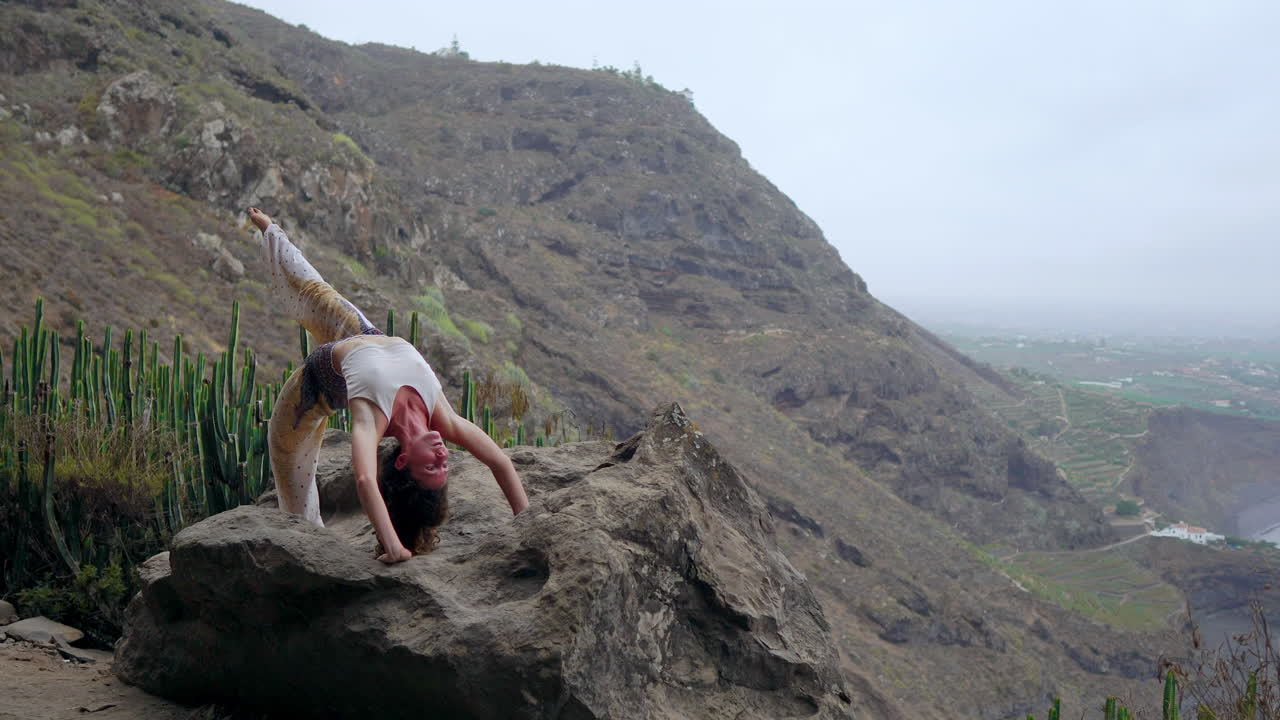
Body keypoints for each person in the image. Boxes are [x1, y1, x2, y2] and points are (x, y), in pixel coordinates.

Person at [248, 207, 528, 564]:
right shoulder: (443, 418)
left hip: (318, 383)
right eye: (445, 468)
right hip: (363, 335)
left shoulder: (374, 418)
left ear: (403, 462)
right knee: (318, 293)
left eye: (432, 467)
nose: (444, 457)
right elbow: (500, 462)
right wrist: (526, 518)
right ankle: (273, 232)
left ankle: (306, 538)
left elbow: (365, 479)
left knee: (286, 453)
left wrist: (393, 545)